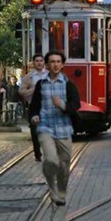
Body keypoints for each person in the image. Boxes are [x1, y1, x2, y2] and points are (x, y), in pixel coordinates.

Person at [29, 50, 80, 206]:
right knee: (51, 160)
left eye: (58, 61)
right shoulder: (41, 84)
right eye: (52, 62)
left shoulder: (69, 84)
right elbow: (34, 106)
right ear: (47, 65)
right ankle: (52, 188)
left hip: (64, 128)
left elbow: (76, 104)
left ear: (62, 64)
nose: (55, 64)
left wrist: (63, 105)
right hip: (46, 127)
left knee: (64, 164)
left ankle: (61, 192)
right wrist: (34, 116)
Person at [19, 54, 48, 161]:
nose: (39, 63)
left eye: (41, 60)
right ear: (33, 63)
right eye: (37, 61)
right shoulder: (29, 76)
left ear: (44, 62)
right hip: (33, 106)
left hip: (47, 106)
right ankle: (37, 153)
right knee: (35, 131)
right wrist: (33, 91)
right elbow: (21, 90)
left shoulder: (49, 75)